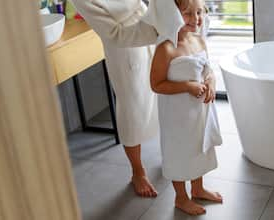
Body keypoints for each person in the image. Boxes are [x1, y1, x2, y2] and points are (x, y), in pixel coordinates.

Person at [70, 0, 159, 197]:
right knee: (132, 106)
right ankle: (138, 172)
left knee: (163, 93)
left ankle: (170, 151)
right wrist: (156, 30)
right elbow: (114, 34)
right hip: (126, 44)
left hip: (151, 23)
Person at [149, 0, 223, 215]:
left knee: (198, 147)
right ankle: (181, 198)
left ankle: (198, 188)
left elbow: (208, 69)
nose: (196, 19)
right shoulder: (167, 47)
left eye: (199, 12)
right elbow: (156, 84)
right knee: (179, 153)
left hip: (199, 112)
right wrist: (186, 86)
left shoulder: (198, 40)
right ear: (172, 14)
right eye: (188, 13)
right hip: (177, 115)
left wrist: (211, 82)